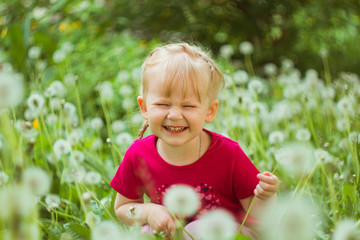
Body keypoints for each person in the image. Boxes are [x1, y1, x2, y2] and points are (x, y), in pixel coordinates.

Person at [110, 43, 279, 239]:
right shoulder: (138, 154)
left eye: (188, 106)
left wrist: (267, 196)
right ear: (144, 107)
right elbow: (123, 207)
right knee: (146, 232)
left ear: (210, 111)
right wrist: (149, 212)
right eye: (163, 104)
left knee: (197, 231)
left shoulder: (228, 154)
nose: (174, 115)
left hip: (229, 234)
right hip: (175, 234)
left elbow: (259, 217)